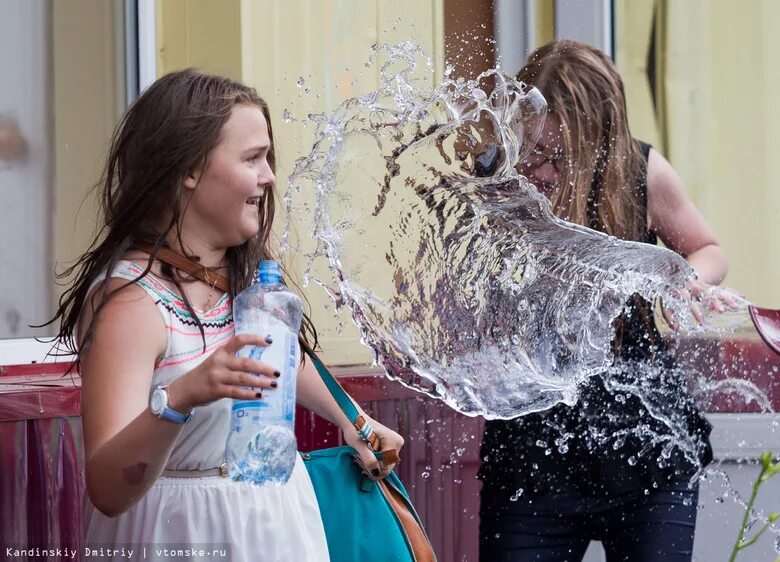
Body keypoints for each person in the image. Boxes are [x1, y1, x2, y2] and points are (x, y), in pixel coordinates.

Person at [48, 69, 403, 561]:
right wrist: (182, 396)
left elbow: (277, 360)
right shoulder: (131, 303)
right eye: (253, 159)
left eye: (269, 158)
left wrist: (353, 420)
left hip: (277, 528)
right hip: (181, 537)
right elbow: (108, 490)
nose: (269, 176)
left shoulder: (250, 279)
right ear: (191, 168)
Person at [478, 40, 733, 562]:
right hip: (532, 455)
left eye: (560, 157)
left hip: (647, 450)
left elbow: (708, 251)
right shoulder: (495, 177)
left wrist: (687, 283)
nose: (541, 171)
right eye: (532, 150)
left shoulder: (641, 171)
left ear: (601, 143)